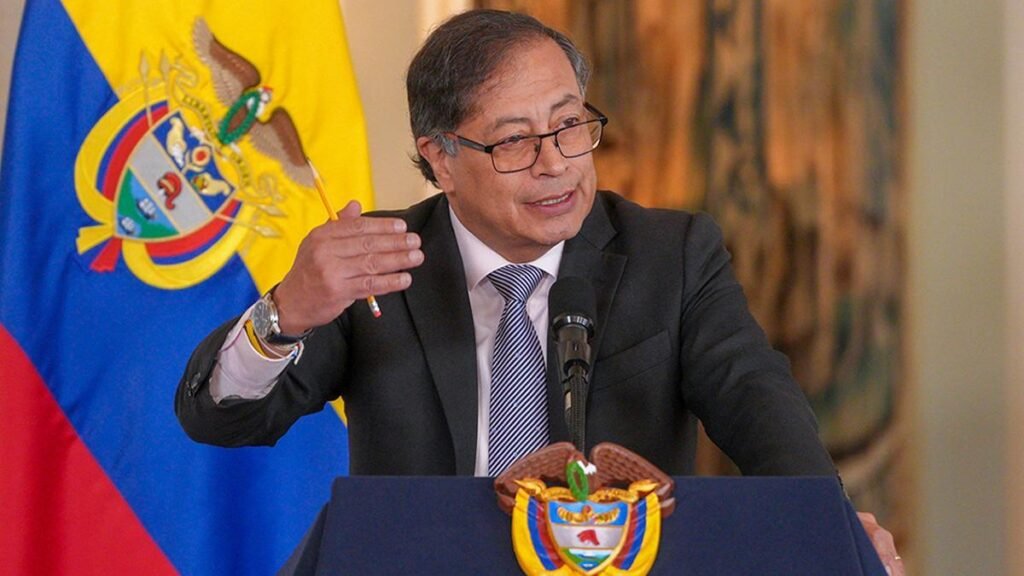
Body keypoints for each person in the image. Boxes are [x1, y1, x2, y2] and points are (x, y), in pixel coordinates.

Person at [175, 9, 903, 574]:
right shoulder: (381, 264)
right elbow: (219, 419)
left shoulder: (671, 254)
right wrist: (285, 314)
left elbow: (756, 399)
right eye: (515, 141)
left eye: (569, 125)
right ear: (441, 159)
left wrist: (828, 524)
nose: (555, 163)